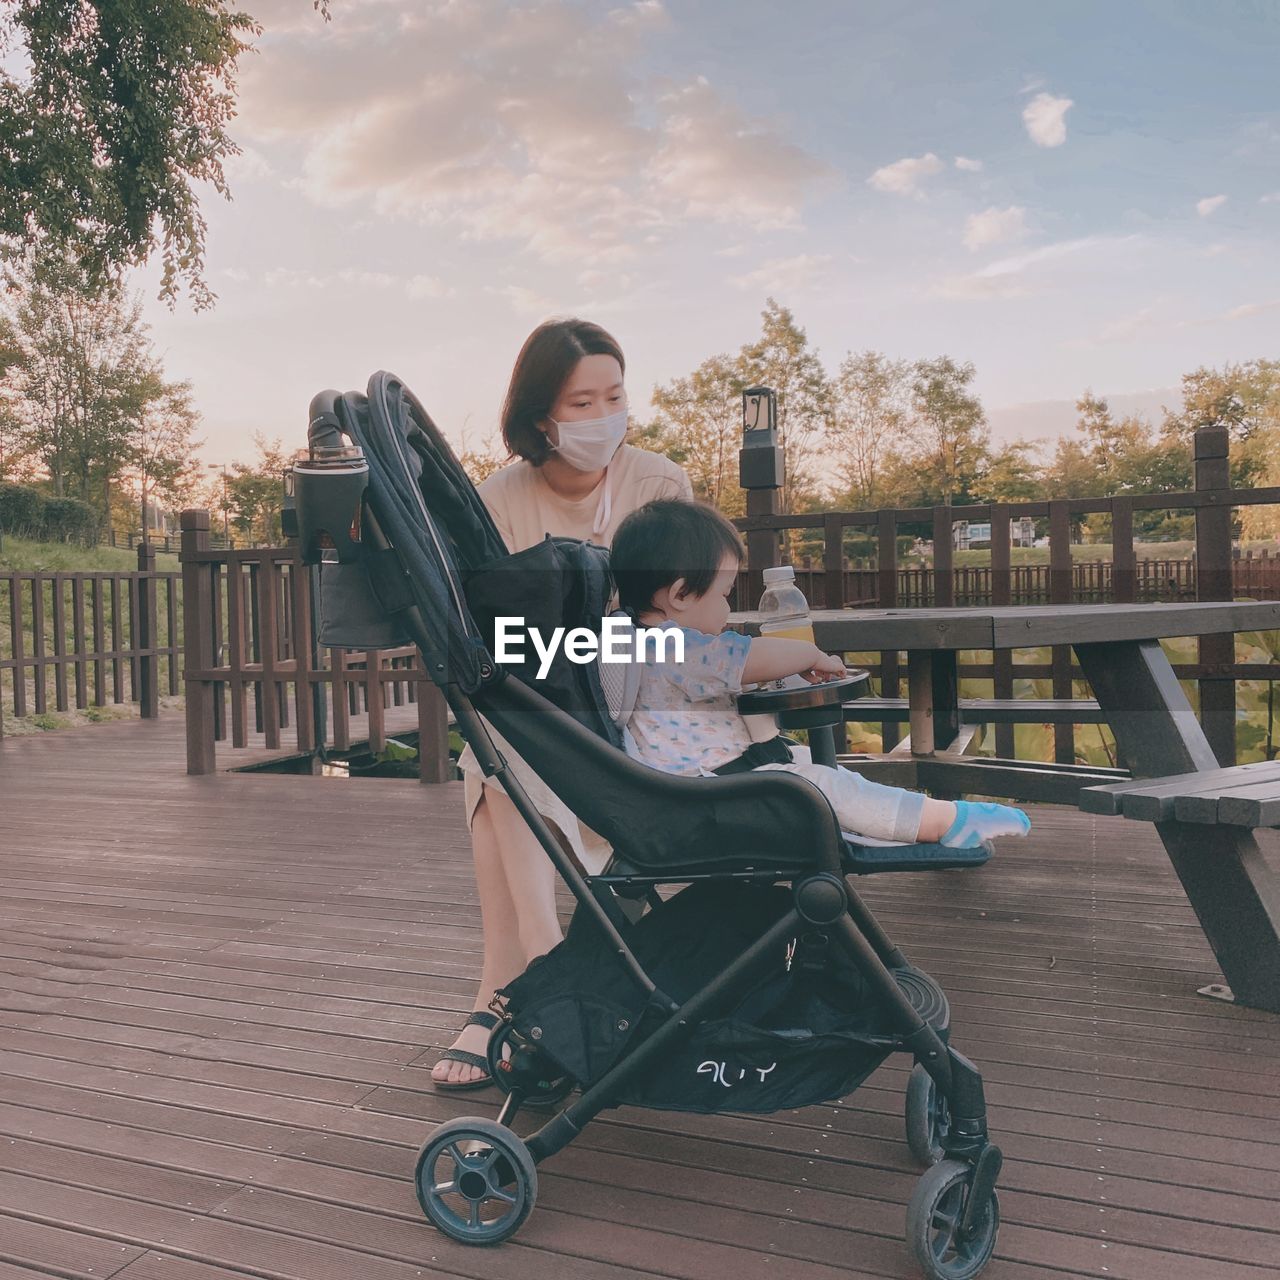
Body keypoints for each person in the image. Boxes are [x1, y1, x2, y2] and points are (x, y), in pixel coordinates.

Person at [432, 319, 692, 1089]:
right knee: (498, 748)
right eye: (583, 402)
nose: (603, 416)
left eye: (615, 396)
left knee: (506, 748)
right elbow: (492, 640)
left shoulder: (657, 484)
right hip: (539, 707)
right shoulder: (496, 502)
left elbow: (674, 629)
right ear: (542, 414)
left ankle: (509, 991)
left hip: (643, 700)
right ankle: (526, 970)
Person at [610, 499, 1032, 847]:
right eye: (724, 594)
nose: (728, 609)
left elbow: (726, 674)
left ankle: (913, 819)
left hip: (713, 786)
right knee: (817, 785)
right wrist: (809, 655)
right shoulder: (668, 645)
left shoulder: (639, 642)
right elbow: (747, 656)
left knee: (822, 772)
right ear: (681, 593)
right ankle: (945, 822)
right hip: (710, 800)